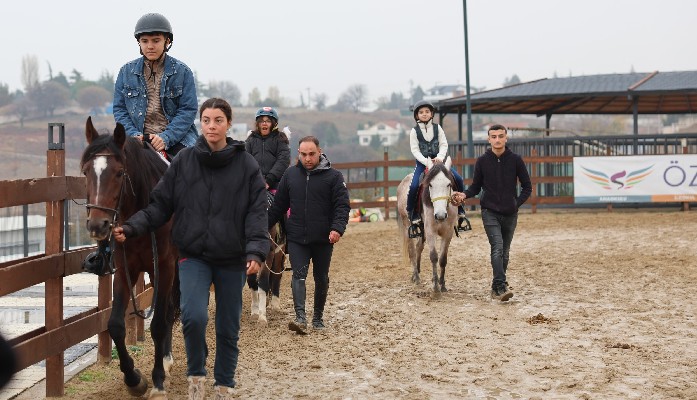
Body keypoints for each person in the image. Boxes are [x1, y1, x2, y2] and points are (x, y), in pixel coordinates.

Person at [114, 98, 269, 399]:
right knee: (193, 317)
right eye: (207, 120)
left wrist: (256, 251)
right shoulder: (184, 162)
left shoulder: (246, 164)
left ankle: (223, 382)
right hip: (194, 255)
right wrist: (131, 227)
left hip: (232, 257)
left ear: (228, 124)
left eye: (218, 120)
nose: (212, 126)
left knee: (227, 325)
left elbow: (256, 213)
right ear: (201, 123)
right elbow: (160, 206)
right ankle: (196, 376)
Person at [267, 136, 350, 334]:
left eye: (311, 154)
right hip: (297, 237)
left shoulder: (334, 177)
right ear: (298, 154)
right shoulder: (290, 175)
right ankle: (300, 318)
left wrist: (337, 228)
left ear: (319, 152)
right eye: (303, 154)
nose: (307, 158)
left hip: (323, 238)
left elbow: (342, 206)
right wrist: (261, 227)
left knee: (321, 277)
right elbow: (278, 207)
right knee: (299, 274)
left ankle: (318, 317)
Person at [451, 124, 532, 302]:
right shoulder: (482, 161)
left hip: (511, 213)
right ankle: (502, 286)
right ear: (488, 139)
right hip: (489, 212)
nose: (497, 139)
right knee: (497, 247)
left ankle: (496, 286)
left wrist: (515, 203)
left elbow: (527, 187)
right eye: (493, 136)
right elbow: (475, 186)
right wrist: (464, 195)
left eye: (500, 136)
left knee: (505, 251)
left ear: (506, 138)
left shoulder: (516, 160)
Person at [113, 13, 198, 161]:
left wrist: (166, 137)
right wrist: (133, 136)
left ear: (167, 41)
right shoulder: (126, 71)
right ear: (139, 43)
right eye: (144, 41)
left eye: (156, 41)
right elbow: (120, 110)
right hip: (137, 139)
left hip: (177, 139)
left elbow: (188, 110)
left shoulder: (183, 71)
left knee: (191, 170)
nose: (150, 46)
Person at [406, 100, 467, 230]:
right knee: (414, 186)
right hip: (423, 164)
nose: (424, 114)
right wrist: (426, 162)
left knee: (459, 179)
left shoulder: (438, 128)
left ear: (431, 113)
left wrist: (439, 158)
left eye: (427, 112)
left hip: (439, 162)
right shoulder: (414, 132)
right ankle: (412, 213)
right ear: (416, 115)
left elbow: (444, 144)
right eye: (421, 112)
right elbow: (415, 150)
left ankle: (461, 208)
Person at [246, 107, 291, 191]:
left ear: (274, 123)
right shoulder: (251, 140)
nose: (264, 123)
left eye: (268, 121)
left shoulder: (281, 139)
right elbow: (245, 161)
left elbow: (283, 161)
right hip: (254, 185)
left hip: (276, 185)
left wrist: (269, 179)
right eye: (261, 121)